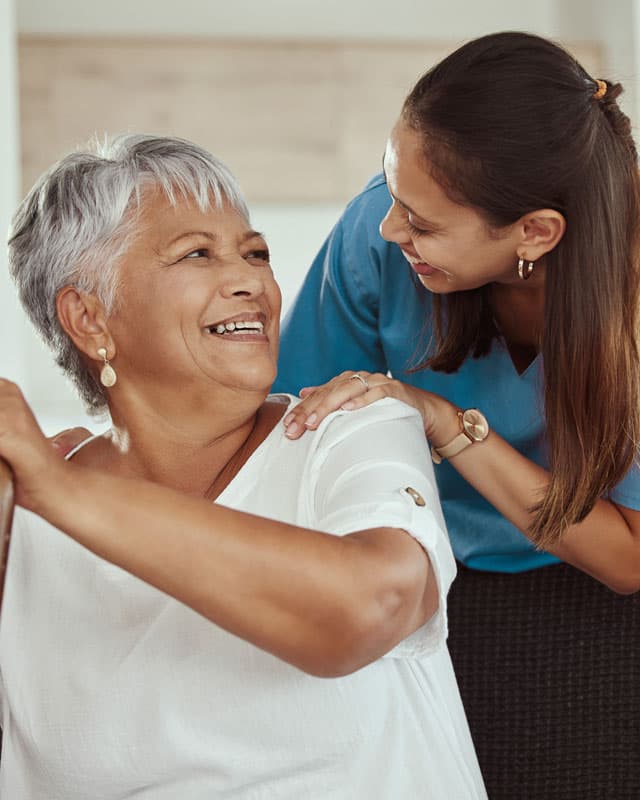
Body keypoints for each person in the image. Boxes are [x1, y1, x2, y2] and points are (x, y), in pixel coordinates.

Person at [0, 134, 487, 799]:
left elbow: (370, 608)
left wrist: (60, 492)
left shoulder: (351, 427)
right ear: (89, 318)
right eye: (197, 254)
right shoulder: (22, 511)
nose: (251, 281)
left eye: (255, 253)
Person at [274, 31, 640, 800]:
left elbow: (627, 558)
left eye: (422, 222)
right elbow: (293, 421)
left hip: (596, 596)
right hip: (426, 572)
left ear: (535, 232)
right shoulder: (379, 235)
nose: (389, 228)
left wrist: (447, 424)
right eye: (392, 193)